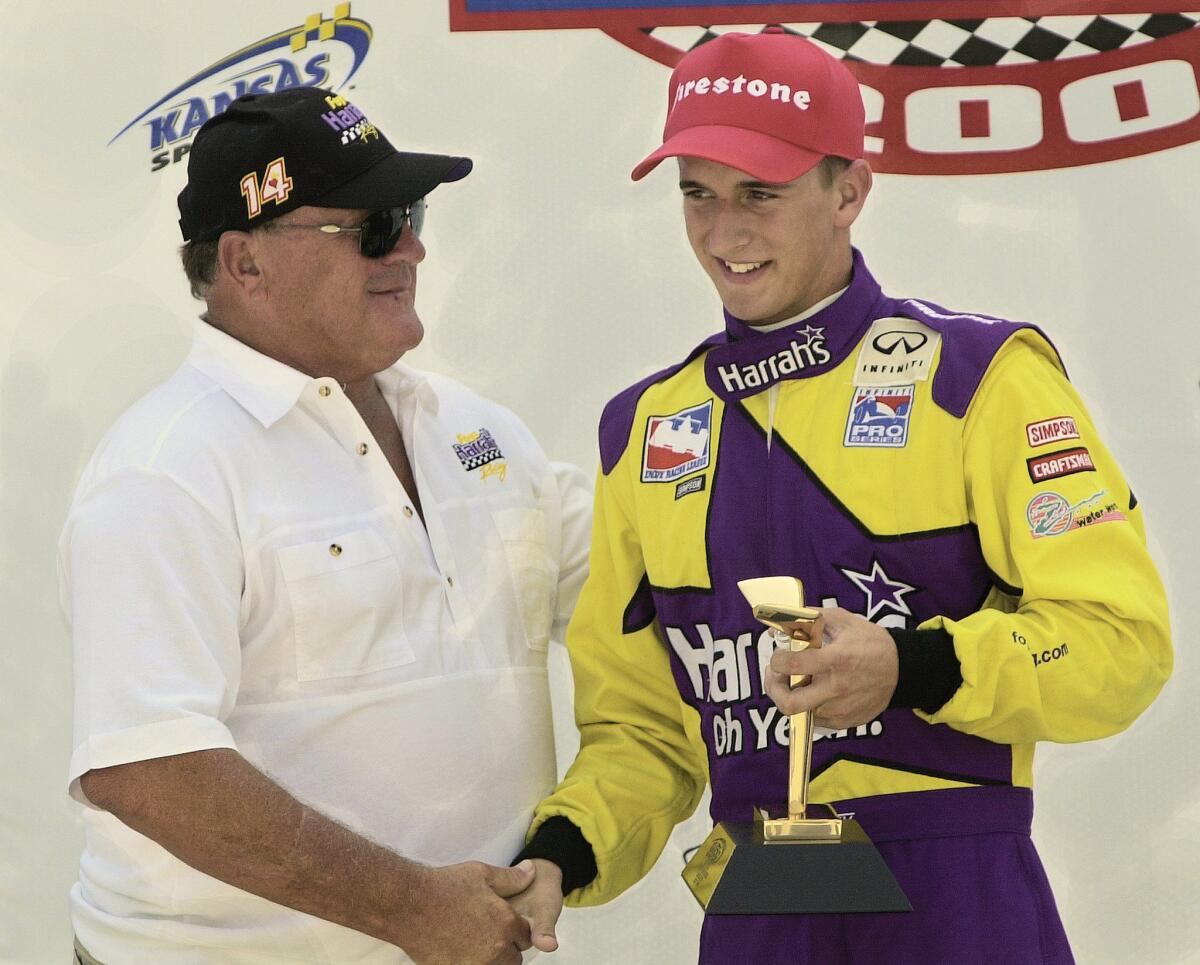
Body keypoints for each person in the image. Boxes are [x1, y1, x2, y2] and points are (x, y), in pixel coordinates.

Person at [511, 29, 1173, 963]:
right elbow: (642, 727)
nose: (722, 232)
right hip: (763, 894)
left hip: (954, 887)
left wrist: (915, 665)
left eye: (761, 194)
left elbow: (1122, 641)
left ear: (849, 191)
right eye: (697, 193)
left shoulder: (979, 377)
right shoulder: (648, 428)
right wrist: (560, 852)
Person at [58, 86, 590, 965]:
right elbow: (148, 768)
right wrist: (415, 908)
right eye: (372, 228)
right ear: (245, 262)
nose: (412, 247)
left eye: (409, 214)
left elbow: (645, 591)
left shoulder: (479, 430)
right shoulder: (163, 469)